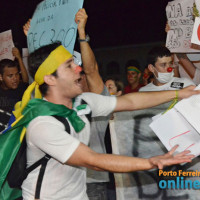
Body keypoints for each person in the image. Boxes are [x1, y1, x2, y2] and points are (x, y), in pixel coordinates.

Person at [5, 40, 197, 199]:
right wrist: (150, 162)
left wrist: (178, 93)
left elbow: (129, 101)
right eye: (69, 66)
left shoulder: (83, 102)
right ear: (50, 79)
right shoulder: (42, 123)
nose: (78, 68)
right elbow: (93, 160)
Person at [0, 47, 29, 132]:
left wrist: (19, 58)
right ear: (1, 77)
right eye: (10, 76)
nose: (15, 78)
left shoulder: (20, 89)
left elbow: (25, 80)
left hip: (15, 137)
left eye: (17, 74)